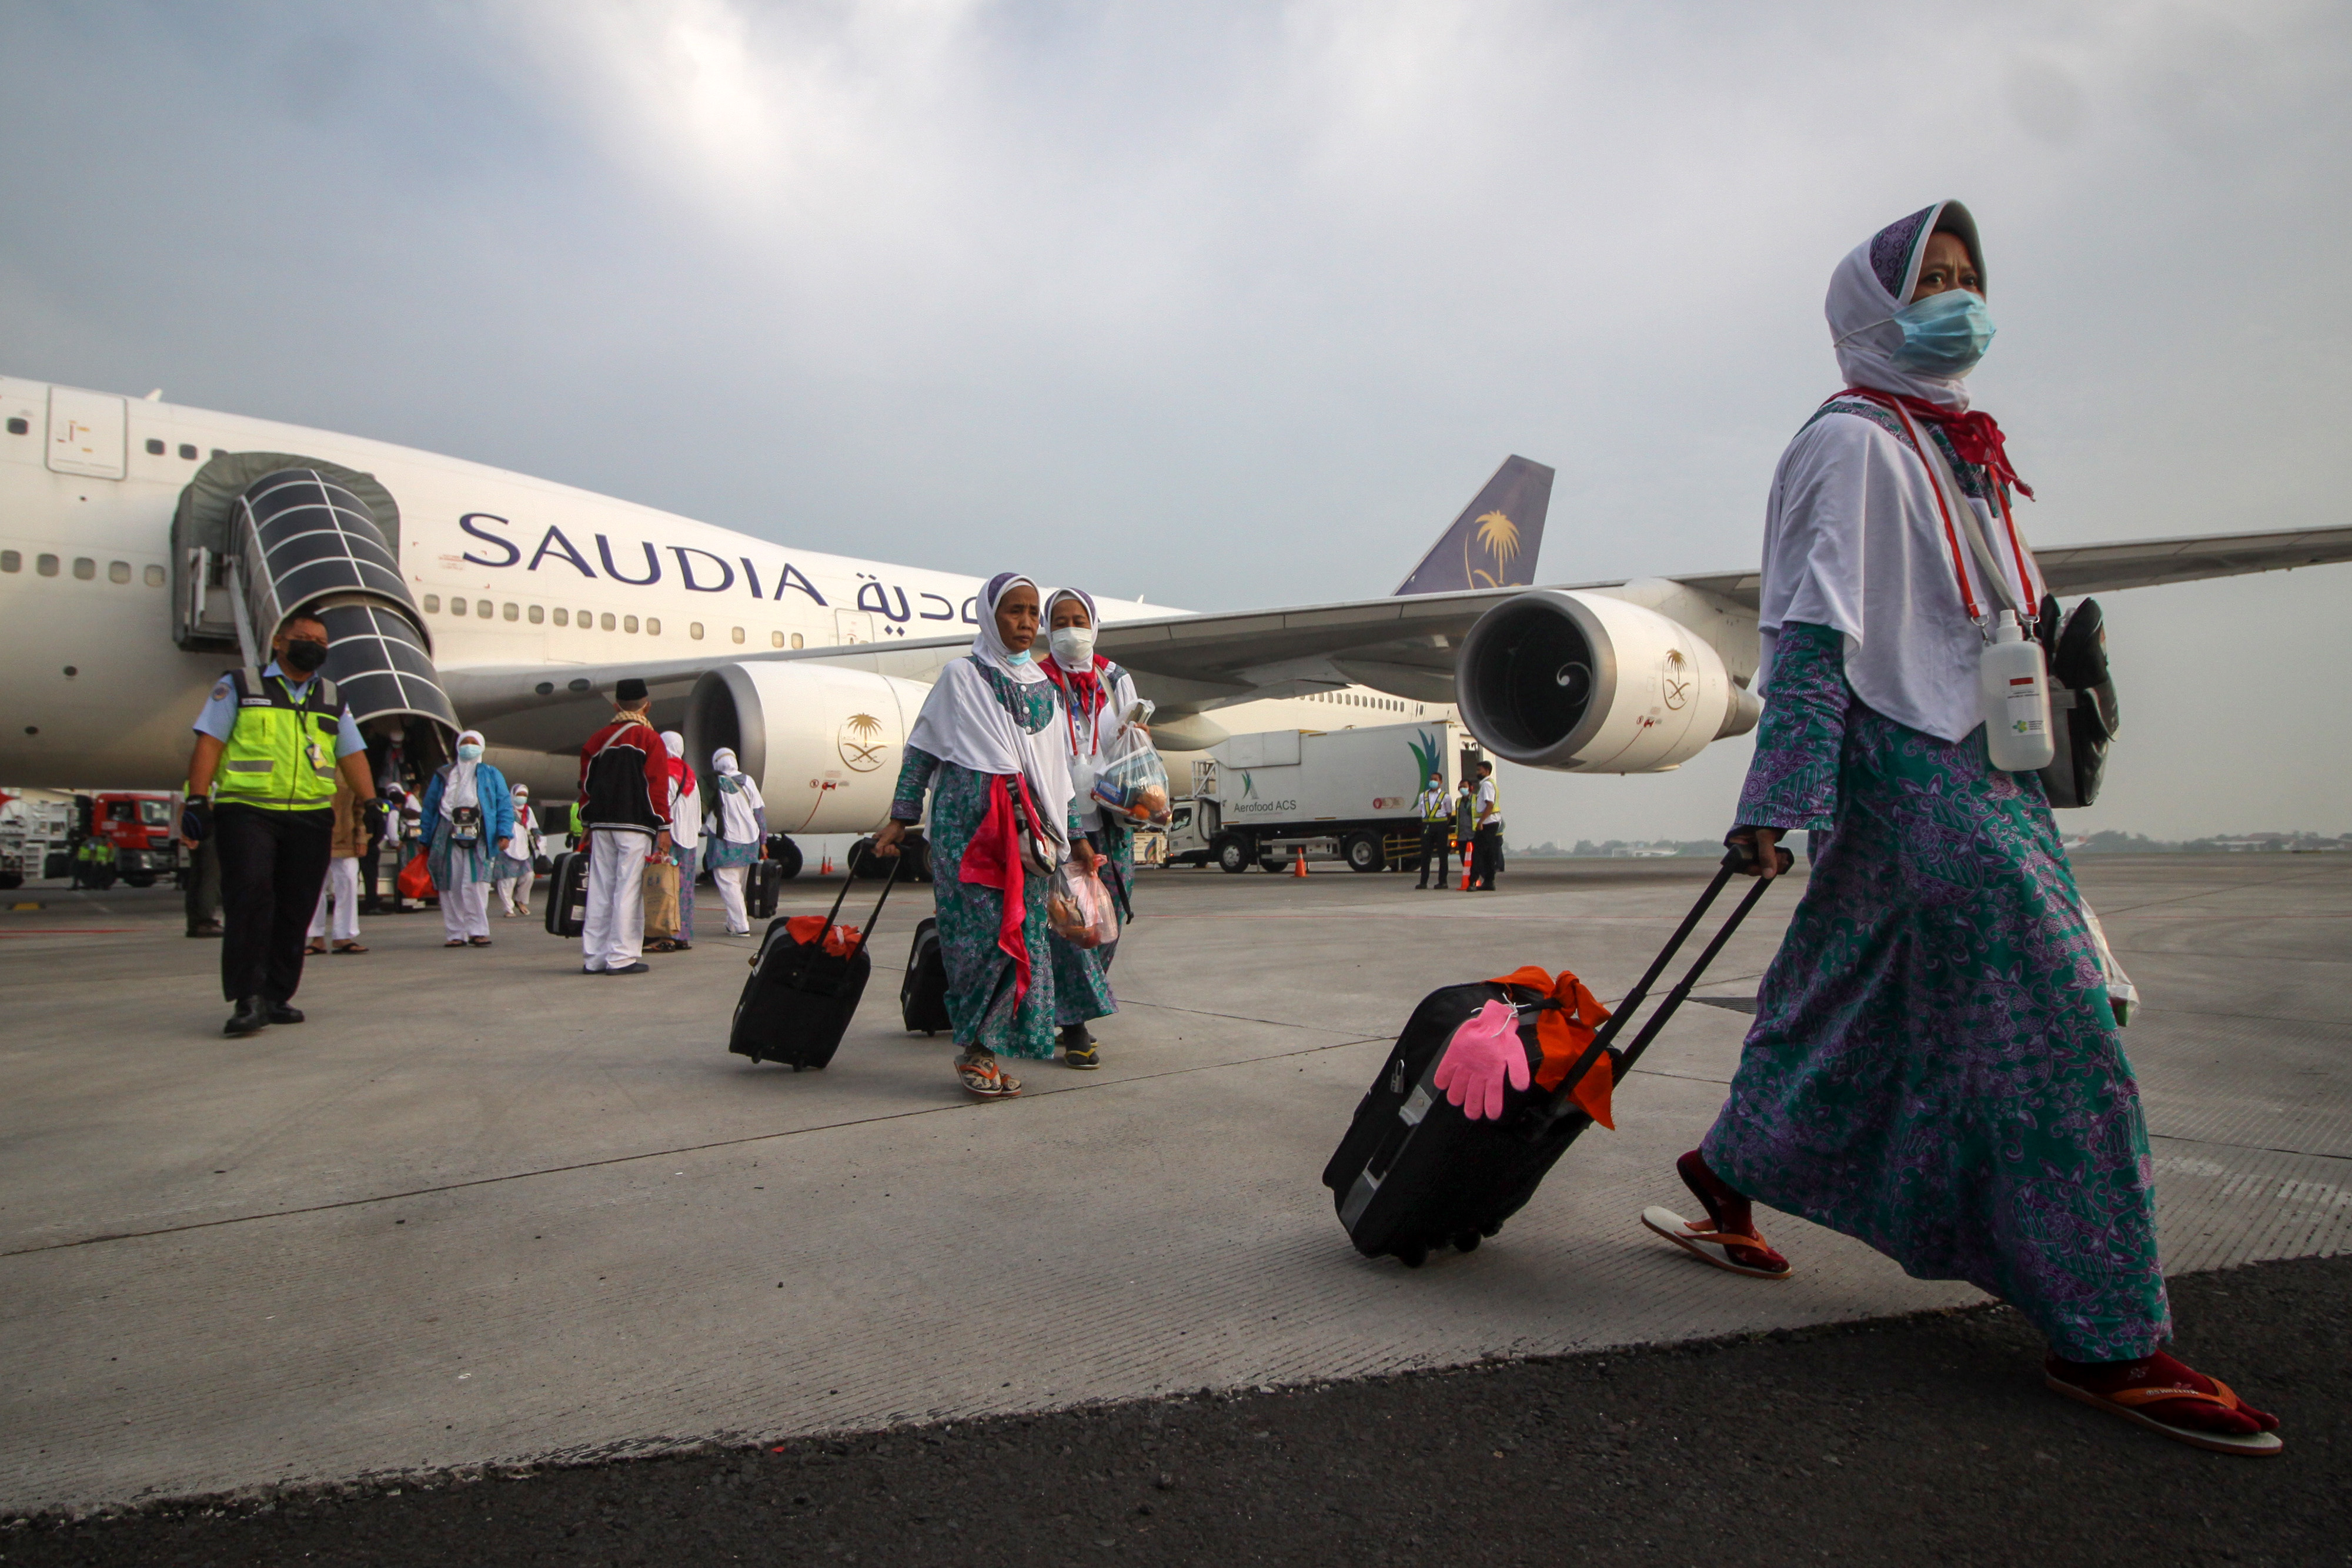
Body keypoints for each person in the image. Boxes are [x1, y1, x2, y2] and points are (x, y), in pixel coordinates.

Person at [1652, 202, 2279, 1456]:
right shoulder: (1848, 445)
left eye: (1961, 278)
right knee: (2057, 1026)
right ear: (1869, 309)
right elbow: (1812, 635)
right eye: (1925, 281)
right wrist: (1776, 798)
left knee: (1848, 996)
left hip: (1985, 768)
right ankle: (2107, 1330)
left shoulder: (1959, 447)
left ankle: (1728, 1166)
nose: (1952, 298)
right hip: (1904, 764)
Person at [872, 573, 1093, 1099]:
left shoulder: (1045, 689)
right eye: (1013, 611)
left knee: (1022, 941)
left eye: (1032, 612)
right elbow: (922, 751)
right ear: (988, 615)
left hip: (1028, 837)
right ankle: (976, 1051)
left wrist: (1078, 838)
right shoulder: (961, 677)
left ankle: (988, 1051)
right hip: (966, 829)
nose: (1026, 623)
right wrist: (902, 816)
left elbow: (1056, 773)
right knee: (976, 942)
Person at [178, 610, 386, 1036]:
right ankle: (247, 997)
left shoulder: (333, 697)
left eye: (322, 642)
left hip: (309, 814)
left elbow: (352, 754)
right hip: (248, 809)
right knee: (251, 899)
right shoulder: (239, 685)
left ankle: (277, 995)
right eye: (304, 637)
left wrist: (371, 803)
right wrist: (197, 799)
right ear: (279, 641)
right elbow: (210, 741)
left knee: (297, 906)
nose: (314, 646)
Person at [1037, 586, 1140, 1069]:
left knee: (1110, 920)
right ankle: (1076, 1026)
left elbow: (1132, 741)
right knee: (1073, 925)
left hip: (1113, 816)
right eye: (1059, 620)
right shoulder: (1036, 679)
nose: (1069, 629)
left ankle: (1065, 1005)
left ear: (1094, 623)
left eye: (1078, 618)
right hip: (1062, 821)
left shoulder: (1116, 677)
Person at [576, 678, 671, 975]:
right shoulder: (649, 739)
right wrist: (665, 826)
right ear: (647, 706)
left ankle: (594, 958)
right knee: (628, 889)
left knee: (600, 890)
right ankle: (621, 957)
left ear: (616, 706)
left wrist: (587, 822)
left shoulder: (597, 740)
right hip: (635, 826)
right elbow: (657, 787)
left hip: (602, 824)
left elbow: (585, 787)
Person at [419, 729, 516, 948]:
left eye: (474, 742)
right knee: (449, 882)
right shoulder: (443, 774)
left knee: (476, 882)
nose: (469, 746)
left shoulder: (492, 774)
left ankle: (478, 931)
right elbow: (430, 806)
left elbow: (504, 805)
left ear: (481, 747)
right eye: (465, 742)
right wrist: (425, 836)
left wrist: (504, 833)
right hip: (446, 830)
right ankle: (455, 933)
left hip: (479, 831)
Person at [704, 748, 767, 936]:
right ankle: (733, 923)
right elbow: (759, 813)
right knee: (738, 886)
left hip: (725, 841)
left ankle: (741, 926)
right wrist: (763, 841)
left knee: (729, 885)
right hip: (749, 841)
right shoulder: (748, 781)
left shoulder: (713, 782)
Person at [648, 729, 699, 952]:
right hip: (689, 840)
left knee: (665, 887)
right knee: (685, 888)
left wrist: (662, 834)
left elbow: (663, 807)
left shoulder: (666, 772)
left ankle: (665, 936)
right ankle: (682, 935)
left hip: (670, 839)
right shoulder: (690, 774)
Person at [304, 776, 368, 955]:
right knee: (314, 885)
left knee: (348, 880)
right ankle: (316, 937)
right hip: (313, 832)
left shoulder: (346, 764)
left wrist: (361, 836)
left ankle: (344, 936)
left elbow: (361, 805)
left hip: (345, 835)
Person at [495, 783, 540, 917]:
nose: (522, 798)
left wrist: (539, 837)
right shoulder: (505, 809)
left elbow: (534, 827)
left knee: (529, 876)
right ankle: (508, 908)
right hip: (508, 848)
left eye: (524, 795)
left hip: (524, 848)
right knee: (508, 880)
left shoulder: (528, 811)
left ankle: (521, 901)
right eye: (519, 795)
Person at [1412, 771, 1452, 890]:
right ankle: (1423, 882)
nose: (1433, 781)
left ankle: (1443, 882)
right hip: (1427, 825)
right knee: (1425, 854)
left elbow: (1449, 813)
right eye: (1432, 779)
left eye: (1436, 779)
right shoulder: (1423, 796)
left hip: (1441, 825)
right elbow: (1421, 810)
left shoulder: (1446, 797)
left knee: (1442, 855)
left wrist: (1443, 824)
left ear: (1441, 782)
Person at [1468, 761, 1503, 890]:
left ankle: (1473, 882)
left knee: (1478, 854)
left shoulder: (1487, 785)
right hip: (1491, 822)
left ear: (1487, 771)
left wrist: (1481, 822)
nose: (1477, 773)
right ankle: (1489, 882)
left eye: (1479, 770)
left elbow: (1490, 805)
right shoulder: (1489, 784)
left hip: (1487, 823)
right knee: (1488, 854)